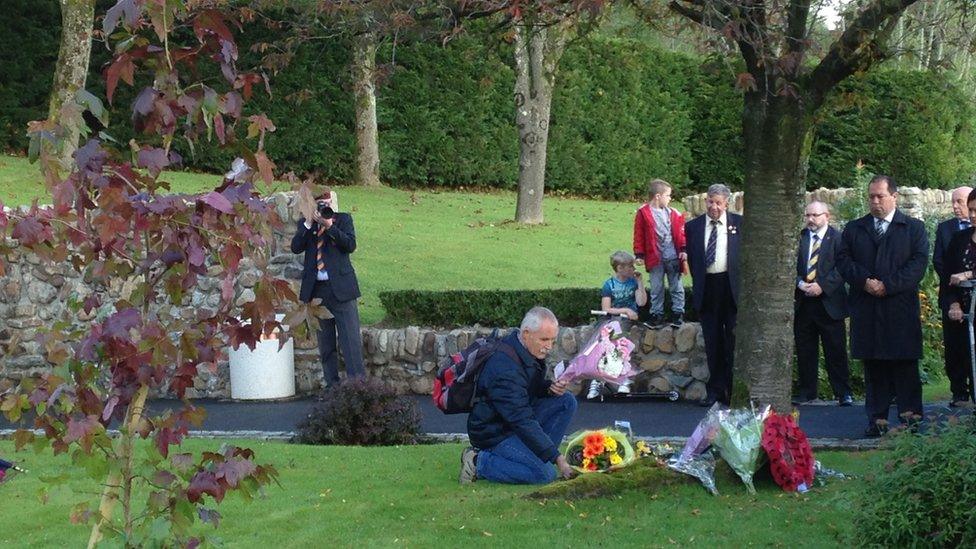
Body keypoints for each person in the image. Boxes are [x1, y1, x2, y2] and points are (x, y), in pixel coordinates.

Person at [837, 175, 929, 437]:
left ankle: (910, 421)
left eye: (880, 196)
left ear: (894, 197)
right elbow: (843, 261)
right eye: (871, 197)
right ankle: (877, 421)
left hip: (899, 308)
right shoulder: (855, 228)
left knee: (904, 367)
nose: (875, 201)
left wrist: (887, 285)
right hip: (867, 308)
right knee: (874, 367)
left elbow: (917, 265)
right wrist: (865, 281)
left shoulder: (913, 228)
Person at [460, 307, 577, 485]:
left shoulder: (524, 349)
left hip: (511, 422)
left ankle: (537, 456)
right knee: (545, 475)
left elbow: (528, 389)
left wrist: (549, 388)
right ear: (526, 334)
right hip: (494, 434)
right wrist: (558, 458)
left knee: (566, 401)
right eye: (544, 340)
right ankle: (478, 461)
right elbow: (521, 419)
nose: (549, 347)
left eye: (553, 340)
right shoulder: (504, 367)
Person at [291, 187, 365, 389]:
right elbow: (296, 247)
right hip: (318, 292)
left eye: (328, 203)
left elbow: (350, 245)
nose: (325, 207)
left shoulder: (343, 220)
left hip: (342, 290)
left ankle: (358, 389)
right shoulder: (308, 226)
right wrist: (308, 222)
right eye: (321, 205)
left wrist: (330, 226)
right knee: (326, 346)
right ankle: (332, 390)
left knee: (351, 343)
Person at [685, 184, 741, 407]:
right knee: (713, 341)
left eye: (718, 202)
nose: (714, 206)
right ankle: (715, 390)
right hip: (708, 287)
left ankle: (732, 390)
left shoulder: (739, 223)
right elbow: (692, 259)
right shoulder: (693, 227)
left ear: (727, 202)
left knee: (733, 341)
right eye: (710, 201)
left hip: (731, 288)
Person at [793, 201, 853, 406]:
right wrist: (800, 283)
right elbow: (790, 265)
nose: (811, 219)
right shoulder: (798, 238)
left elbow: (843, 268)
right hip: (803, 302)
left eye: (815, 215)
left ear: (827, 216)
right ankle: (808, 392)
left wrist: (823, 286)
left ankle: (843, 392)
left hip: (829, 303)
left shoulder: (838, 238)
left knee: (835, 350)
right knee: (805, 349)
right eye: (808, 215)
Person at [933, 186, 974, 408]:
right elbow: (941, 262)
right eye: (954, 202)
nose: (956, 207)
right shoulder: (949, 231)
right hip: (953, 297)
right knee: (954, 347)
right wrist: (953, 291)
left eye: (961, 202)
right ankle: (959, 391)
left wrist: (967, 275)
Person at [587, 251, 645, 399]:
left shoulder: (633, 282)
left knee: (619, 341)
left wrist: (640, 282)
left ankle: (622, 380)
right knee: (602, 344)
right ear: (619, 268)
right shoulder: (609, 285)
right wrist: (625, 309)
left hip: (626, 321)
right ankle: (598, 380)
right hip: (610, 320)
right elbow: (606, 308)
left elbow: (641, 302)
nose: (633, 269)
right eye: (630, 267)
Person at [633, 178, 687, 328]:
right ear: (658, 196)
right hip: (654, 258)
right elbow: (639, 234)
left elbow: (681, 233)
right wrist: (639, 254)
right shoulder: (643, 213)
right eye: (668, 195)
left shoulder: (674, 213)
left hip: (673, 257)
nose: (670, 198)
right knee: (657, 288)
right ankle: (657, 315)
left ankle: (678, 313)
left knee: (676, 286)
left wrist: (683, 249)